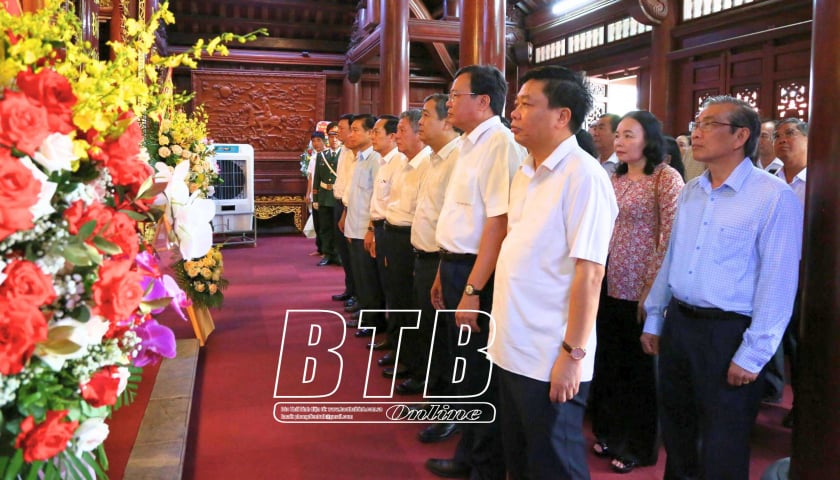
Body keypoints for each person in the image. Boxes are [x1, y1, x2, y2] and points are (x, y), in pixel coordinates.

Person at [642, 96, 803, 480]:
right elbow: (672, 258)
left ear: (740, 136)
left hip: (729, 332)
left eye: (709, 124)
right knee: (678, 435)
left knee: (722, 445)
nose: (696, 131)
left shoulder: (772, 196)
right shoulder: (693, 190)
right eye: (697, 122)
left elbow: (778, 281)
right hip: (681, 324)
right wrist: (653, 316)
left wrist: (755, 352)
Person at [489, 65, 617, 480]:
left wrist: (572, 356)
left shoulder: (584, 177)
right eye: (516, 103)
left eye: (527, 104)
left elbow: (590, 273)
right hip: (512, 345)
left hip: (550, 354)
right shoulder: (526, 170)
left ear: (562, 116)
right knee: (521, 460)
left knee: (555, 466)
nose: (515, 113)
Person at [426, 64, 524, 480]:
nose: (448, 102)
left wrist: (471, 289)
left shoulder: (500, 144)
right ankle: (469, 455)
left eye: (455, 95)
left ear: (483, 102)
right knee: (462, 366)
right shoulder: (469, 143)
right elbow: (459, 217)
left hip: (475, 273)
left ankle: (481, 465)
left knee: (478, 372)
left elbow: (497, 225)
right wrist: (441, 270)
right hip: (454, 264)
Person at [590, 111, 683, 474]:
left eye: (629, 135)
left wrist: (651, 287)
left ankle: (641, 445)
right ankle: (610, 432)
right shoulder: (611, 176)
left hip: (643, 288)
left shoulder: (665, 178)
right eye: (619, 135)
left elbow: (670, 236)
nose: (620, 141)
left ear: (649, 139)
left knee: (641, 371)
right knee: (610, 364)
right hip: (607, 283)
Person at [405, 93, 461, 443]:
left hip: (445, 261)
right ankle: (436, 399)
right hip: (424, 257)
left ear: (446, 122)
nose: (419, 122)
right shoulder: (435, 159)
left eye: (426, 115)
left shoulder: (458, 159)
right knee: (431, 335)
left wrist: (441, 267)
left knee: (448, 341)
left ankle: (450, 412)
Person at [381, 109, 431, 381]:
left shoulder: (426, 163)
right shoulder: (404, 161)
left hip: (410, 239)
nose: (396, 136)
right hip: (394, 235)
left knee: (412, 306)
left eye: (401, 131)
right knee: (397, 299)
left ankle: (415, 365)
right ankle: (404, 354)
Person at [773, 117, 808, 428]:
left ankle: (804, 403)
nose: (782, 139)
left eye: (791, 134)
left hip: (805, 274)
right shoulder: (770, 179)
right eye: (778, 135)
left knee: (800, 343)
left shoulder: (822, 178)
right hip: (769, 271)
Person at [339, 114, 387, 334]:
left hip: (365, 228)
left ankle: (373, 320)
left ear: (370, 133)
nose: (351, 134)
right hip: (354, 225)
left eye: (356, 129)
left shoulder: (376, 160)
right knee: (360, 275)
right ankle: (365, 312)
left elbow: (377, 197)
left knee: (369, 278)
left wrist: (370, 230)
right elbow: (354, 195)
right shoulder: (359, 158)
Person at [364, 114, 406, 340]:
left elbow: (392, 204)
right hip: (379, 227)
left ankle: (395, 338)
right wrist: (371, 229)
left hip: (391, 229)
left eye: (376, 132)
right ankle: (391, 336)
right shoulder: (382, 161)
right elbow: (377, 201)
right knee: (383, 282)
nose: (372, 137)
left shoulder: (399, 162)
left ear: (391, 136)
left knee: (394, 287)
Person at [330, 115, 358, 310]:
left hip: (350, 207)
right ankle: (350, 289)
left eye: (341, 128)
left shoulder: (360, 154)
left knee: (353, 254)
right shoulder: (343, 151)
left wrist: (346, 211)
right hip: (339, 202)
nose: (337, 132)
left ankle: (358, 294)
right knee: (344, 252)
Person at [310, 130, 341, 266]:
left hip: (337, 196)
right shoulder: (322, 156)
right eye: (331, 137)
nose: (334, 140)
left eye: (336, 137)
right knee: (325, 227)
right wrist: (315, 198)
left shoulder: (345, 155)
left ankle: (338, 254)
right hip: (324, 196)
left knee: (337, 228)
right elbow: (316, 178)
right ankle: (327, 254)